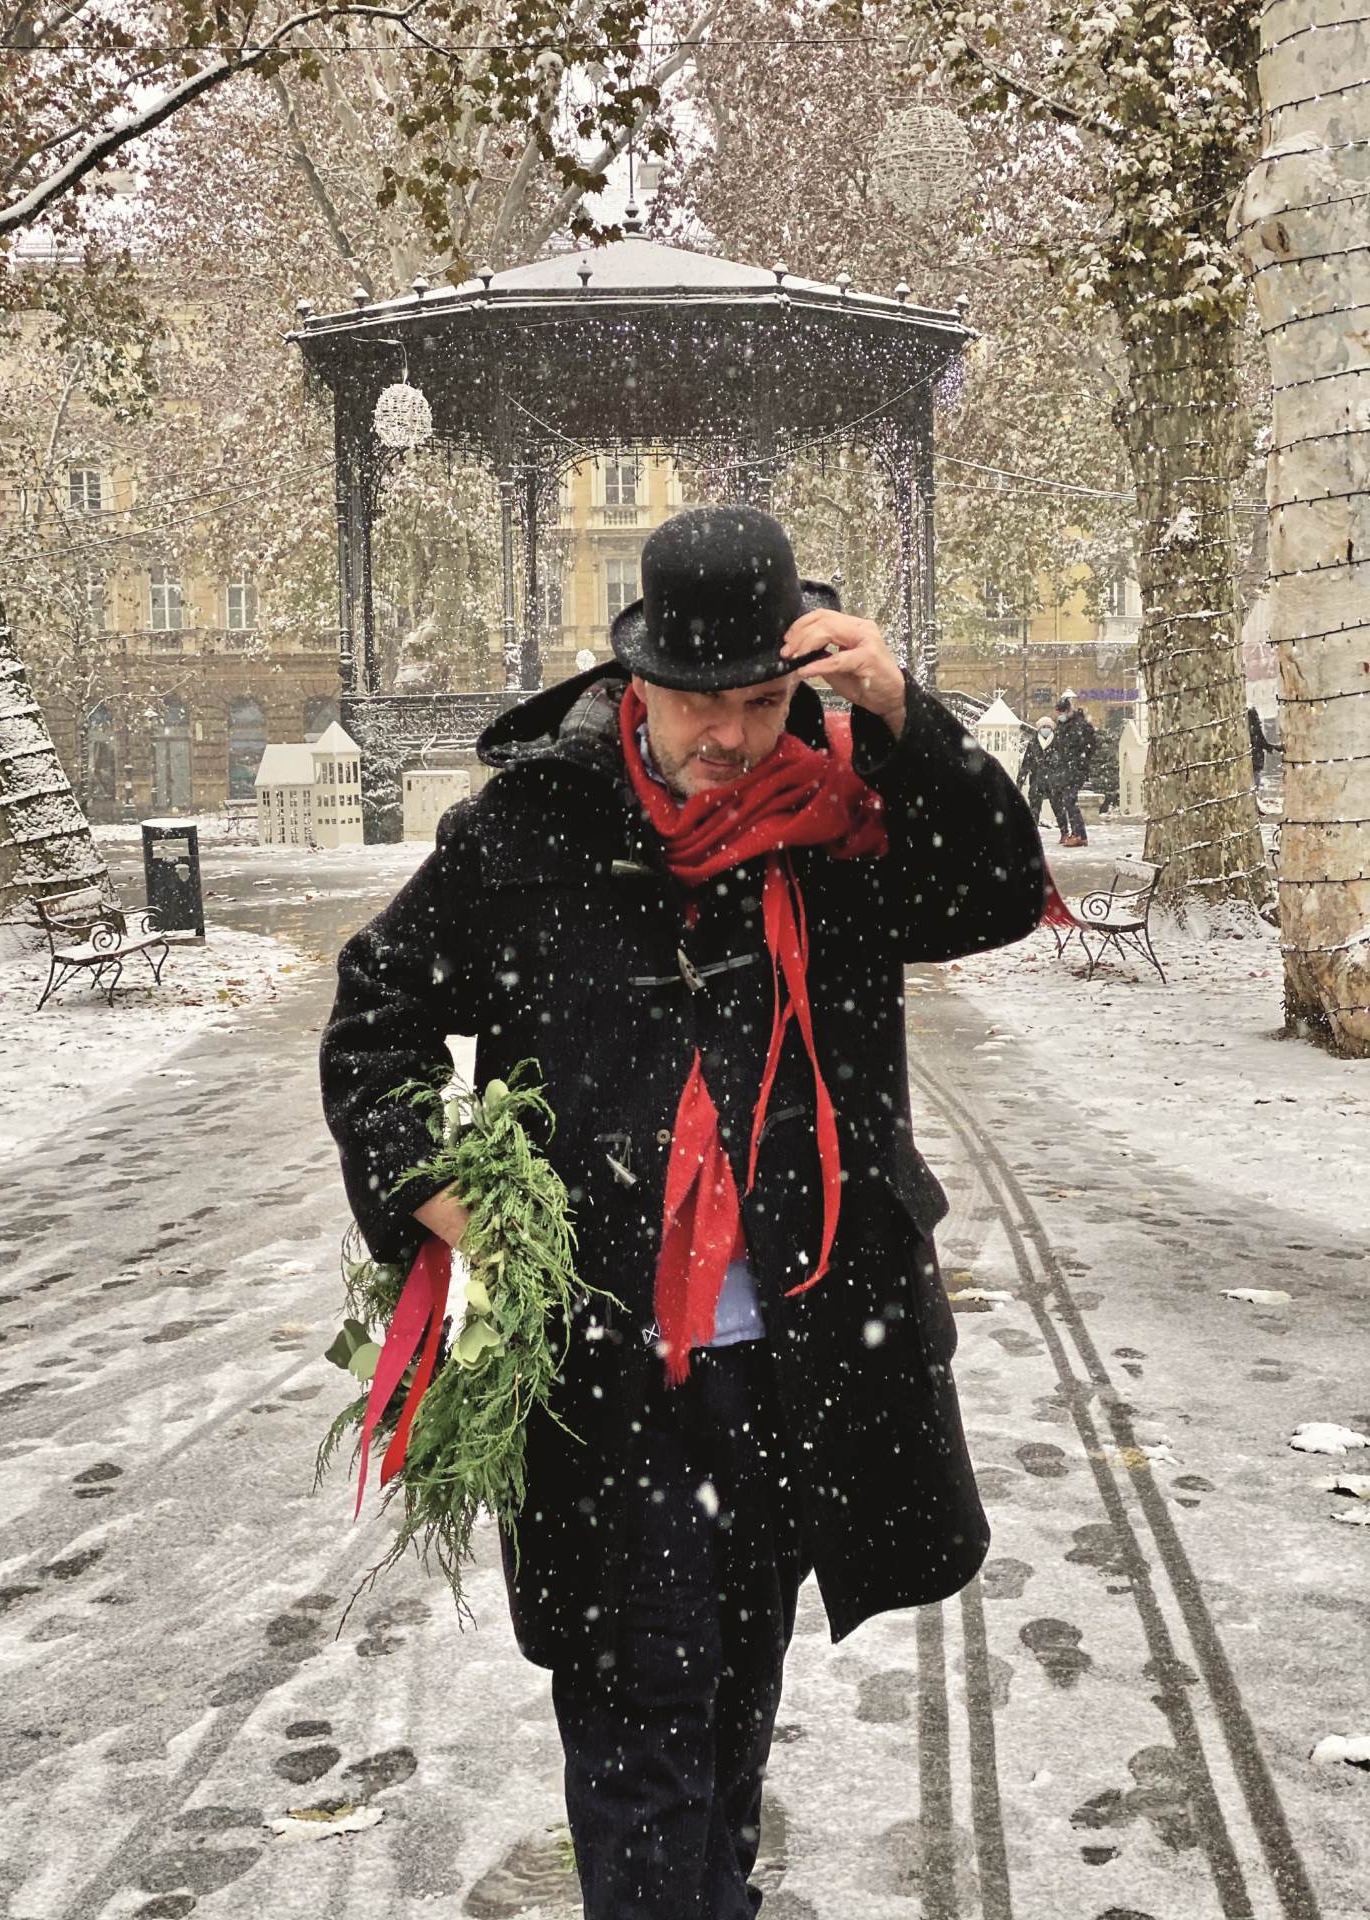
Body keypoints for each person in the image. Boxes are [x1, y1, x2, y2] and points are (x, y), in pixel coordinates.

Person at [321, 506, 1046, 1920]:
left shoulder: (848, 820)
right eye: (698, 705)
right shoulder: (533, 822)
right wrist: (429, 1180)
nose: (729, 739)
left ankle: (717, 1889)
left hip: (806, 1345)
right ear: (632, 679)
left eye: (763, 704)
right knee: (638, 1705)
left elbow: (999, 893)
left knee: (730, 1676)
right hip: (603, 1362)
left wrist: (906, 713)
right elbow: (378, 1015)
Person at [1051, 691, 1096, 846]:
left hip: (1075, 769)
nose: (1061, 715)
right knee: (1066, 800)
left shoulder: (1079, 725)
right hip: (1066, 768)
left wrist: (1080, 762)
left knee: (1069, 800)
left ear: (1069, 710)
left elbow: (1088, 745)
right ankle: (1076, 833)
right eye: (1059, 712)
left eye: (1063, 712)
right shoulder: (1063, 726)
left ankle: (1079, 834)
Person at [1017, 715, 1065, 836]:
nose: (1045, 729)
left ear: (1052, 728)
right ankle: (1033, 835)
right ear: (1039, 728)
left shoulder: (1058, 743)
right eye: (1043, 727)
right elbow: (1026, 764)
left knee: (1058, 808)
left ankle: (1064, 833)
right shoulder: (1033, 744)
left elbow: (1063, 764)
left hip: (1053, 781)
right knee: (1034, 809)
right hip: (1036, 780)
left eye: (1048, 727)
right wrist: (1019, 782)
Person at [1247, 705, 1277, 791]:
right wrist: (1269, 747)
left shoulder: (1253, 730)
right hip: (1256, 761)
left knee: (1255, 784)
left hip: (1255, 761)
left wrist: (1270, 747)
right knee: (1255, 783)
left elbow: (1261, 741)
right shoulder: (1255, 730)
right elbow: (1261, 742)